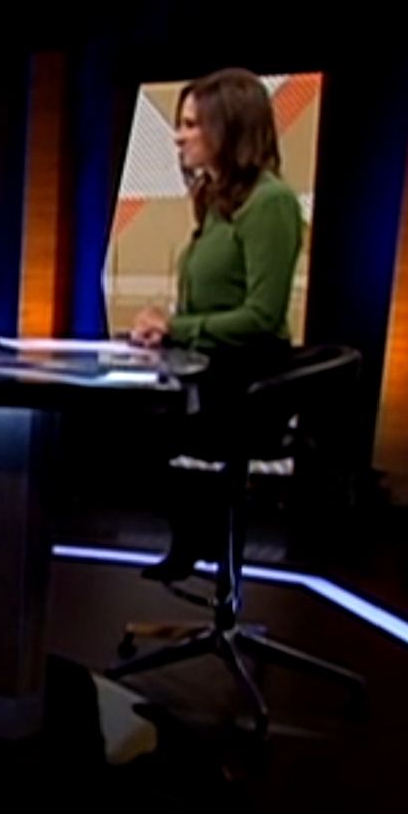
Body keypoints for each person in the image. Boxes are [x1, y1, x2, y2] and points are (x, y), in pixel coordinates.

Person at [128, 68, 303, 582]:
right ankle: (196, 534)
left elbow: (262, 315)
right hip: (208, 368)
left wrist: (177, 328)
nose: (178, 136)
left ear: (228, 129)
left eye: (191, 125)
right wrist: (162, 326)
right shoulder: (216, 200)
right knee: (112, 412)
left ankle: (203, 536)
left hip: (248, 382)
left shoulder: (271, 203)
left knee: (134, 426)